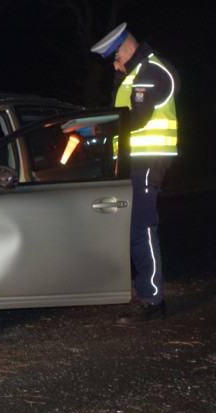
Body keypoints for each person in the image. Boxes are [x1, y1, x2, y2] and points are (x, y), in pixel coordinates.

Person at [91, 22, 178, 323]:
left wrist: (100, 126)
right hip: (132, 161)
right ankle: (146, 294)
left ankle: (153, 300)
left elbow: (136, 119)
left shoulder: (150, 72)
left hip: (146, 161)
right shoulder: (134, 74)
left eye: (115, 59)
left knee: (141, 226)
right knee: (133, 228)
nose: (114, 65)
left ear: (126, 50)